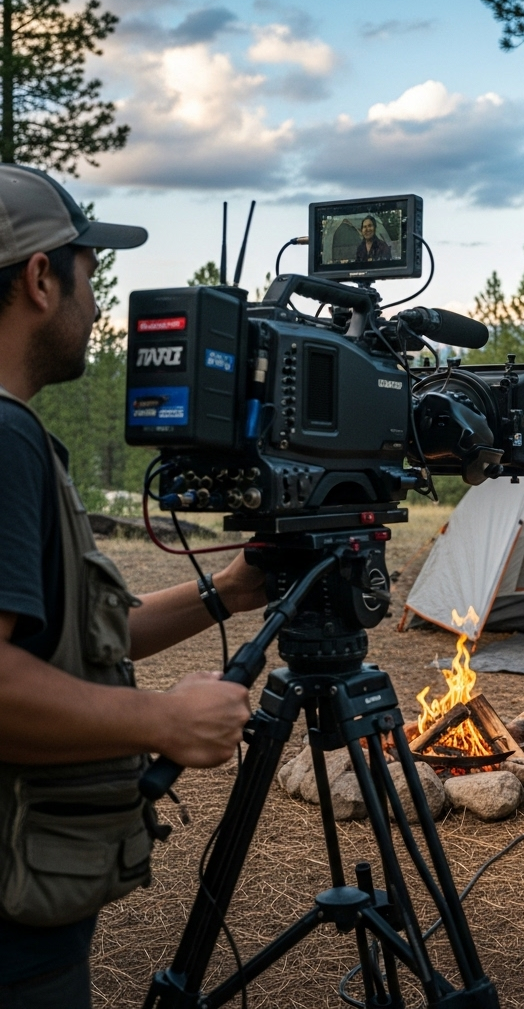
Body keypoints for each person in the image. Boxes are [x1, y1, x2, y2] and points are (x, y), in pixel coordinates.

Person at [0, 165, 265, 1007]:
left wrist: (229, 588)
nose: (94, 302)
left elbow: (75, 635)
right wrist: (164, 720)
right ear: (43, 278)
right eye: (89, 272)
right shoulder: (3, 441)